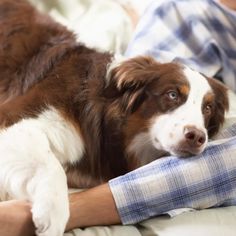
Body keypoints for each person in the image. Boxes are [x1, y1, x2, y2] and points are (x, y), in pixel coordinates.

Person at [1, 0, 236, 235]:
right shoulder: (185, 13)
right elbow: (13, 134)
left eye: (205, 110)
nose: (197, 130)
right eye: (173, 96)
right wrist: (48, 181)